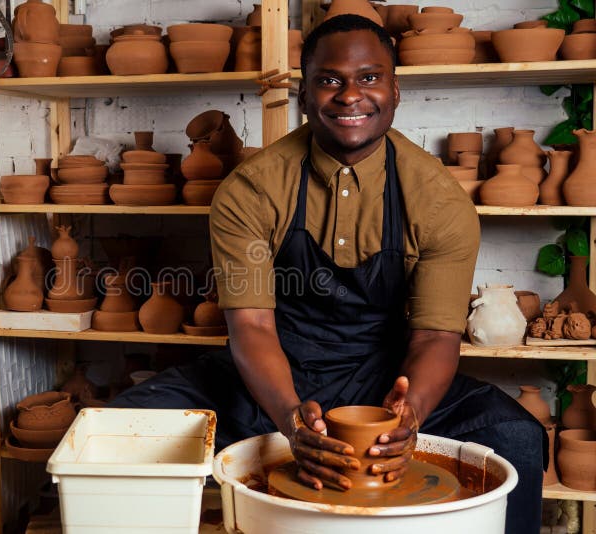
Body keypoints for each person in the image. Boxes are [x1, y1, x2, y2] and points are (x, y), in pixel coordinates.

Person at [111, 14, 544, 533]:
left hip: (385, 377)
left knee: (515, 435)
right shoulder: (252, 189)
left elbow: (434, 334)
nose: (349, 95)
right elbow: (250, 327)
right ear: (305, 91)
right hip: (270, 378)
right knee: (125, 426)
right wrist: (292, 422)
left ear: (395, 89)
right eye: (330, 79)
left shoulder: (438, 200)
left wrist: (411, 417)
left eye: (369, 77)